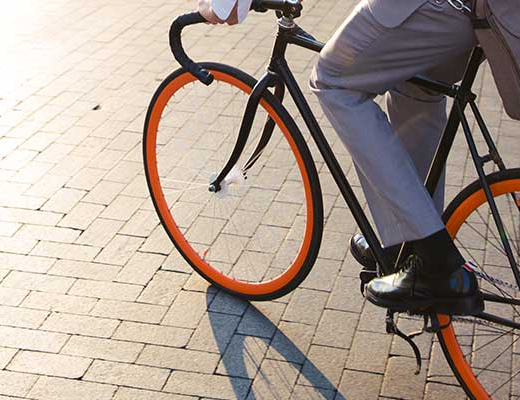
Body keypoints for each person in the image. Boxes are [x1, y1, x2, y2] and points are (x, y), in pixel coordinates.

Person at [198, 0, 483, 315]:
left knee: (333, 81)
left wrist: (228, 4)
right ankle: (408, 242)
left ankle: (437, 260)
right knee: (414, 88)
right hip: (488, 13)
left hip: (439, 7)